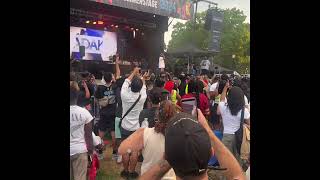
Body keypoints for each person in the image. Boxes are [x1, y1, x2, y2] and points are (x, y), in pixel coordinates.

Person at [139, 110, 245, 180]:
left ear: (166, 157)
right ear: (211, 153)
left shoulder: (167, 159)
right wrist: (209, 132)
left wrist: (170, 158)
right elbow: (238, 175)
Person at [118, 100, 176, 179]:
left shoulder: (145, 132)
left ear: (157, 115)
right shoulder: (182, 136)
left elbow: (122, 149)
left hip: (148, 175)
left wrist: (136, 146)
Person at [120, 67, 148, 179]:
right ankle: (132, 172)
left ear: (131, 86)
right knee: (135, 151)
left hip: (125, 126)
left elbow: (126, 81)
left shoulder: (124, 94)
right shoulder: (142, 97)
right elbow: (143, 86)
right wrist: (143, 78)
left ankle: (125, 171)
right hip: (136, 127)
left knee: (126, 150)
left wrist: (134, 71)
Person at [94, 56, 121, 159]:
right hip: (113, 112)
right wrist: (117, 63)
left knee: (101, 132)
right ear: (111, 78)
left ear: (104, 79)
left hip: (103, 112)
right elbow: (118, 74)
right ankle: (115, 153)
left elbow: (96, 99)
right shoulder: (115, 86)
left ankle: (100, 152)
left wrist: (101, 103)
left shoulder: (100, 87)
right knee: (113, 132)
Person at [217, 82, 250, 163]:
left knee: (227, 161)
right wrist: (244, 124)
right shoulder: (244, 111)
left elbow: (221, 99)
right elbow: (249, 124)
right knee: (238, 160)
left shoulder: (223, 107)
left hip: (226, 137)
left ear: (229, 97)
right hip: (240, 138)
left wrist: (225, 88)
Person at [70, 81, 94, 180]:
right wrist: (90, 151)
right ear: (77, 97)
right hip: (80, 150)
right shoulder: (84, 113)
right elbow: (88, 135)